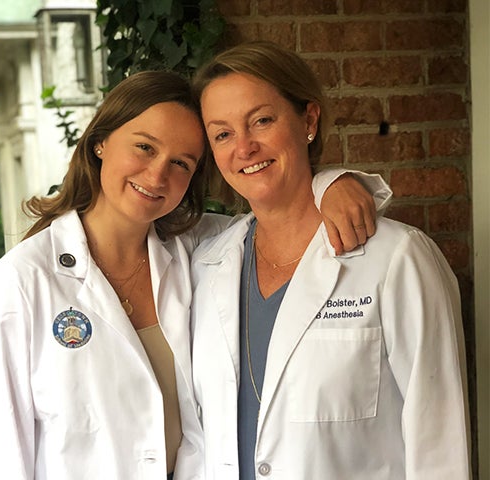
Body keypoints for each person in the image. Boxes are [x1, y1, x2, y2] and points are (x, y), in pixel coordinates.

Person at [0, 70, 389, 479]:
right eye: (145, 147)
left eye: (182, 163)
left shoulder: (202, 251)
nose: (158, 175)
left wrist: (330, 184)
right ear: (100, 143)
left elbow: (280, 218)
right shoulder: (19, 285)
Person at [190, 41, 470, 480]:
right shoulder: (206, 266)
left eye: (262, 120)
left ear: (309, 120)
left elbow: (439, 439)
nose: (244, 147)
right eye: (222, 134)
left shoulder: (397, 259)